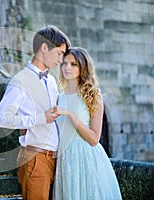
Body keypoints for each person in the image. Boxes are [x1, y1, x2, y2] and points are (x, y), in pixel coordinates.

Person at [0, 25, 71, 200]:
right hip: (36, 158)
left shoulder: (51, 81)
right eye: (59, 53)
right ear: (44, 48)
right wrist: (38, 119)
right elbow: (0, 119)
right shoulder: (20, 81)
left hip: (55, 158)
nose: (61, 60)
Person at [52, 47, 122, 199]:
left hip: (85, 158)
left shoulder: (93, 96)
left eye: (73, 64)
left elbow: (94, 139)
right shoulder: (60, 97)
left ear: (83, 67)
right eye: (64, 63)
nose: (67, 67)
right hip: (65, 159)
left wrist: (70, 114)